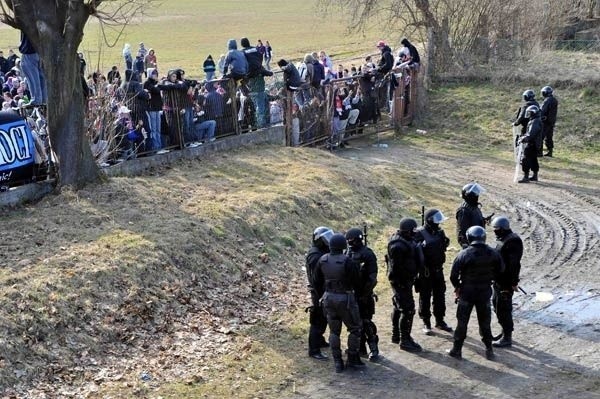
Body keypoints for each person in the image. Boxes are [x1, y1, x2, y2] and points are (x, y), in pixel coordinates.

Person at [448, 226, 504, 360]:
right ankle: (489, 350)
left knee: (462, 322)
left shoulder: (464, 254)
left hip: (467, 292)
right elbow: (501, 269)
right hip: (484, 292)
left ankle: (457, 350)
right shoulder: (493, 253)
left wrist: (457, 287)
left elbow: (453, 275)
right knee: (485, 322)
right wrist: (491, 278)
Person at [313, 233, 364, 373]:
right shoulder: (347, 261)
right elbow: (357, 281)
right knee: (355, 328)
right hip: (346, 298)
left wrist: (323, 294)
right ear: (343, 246)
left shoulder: (322, 259)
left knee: (334, 331)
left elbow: (316, 281)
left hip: (328, 298)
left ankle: (337, 362)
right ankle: (352, 359)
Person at [387, 217, 424, 352]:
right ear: (407, 231)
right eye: (412, 231)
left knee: (398, 306)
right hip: (400, 281)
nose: (415, 233)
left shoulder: (406, 240)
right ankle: (405, 339)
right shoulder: (398, 246)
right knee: (408, 309)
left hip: (405, 280)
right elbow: (397, 268)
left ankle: (396, 335)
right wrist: (404, 282)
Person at [414, 209, 453, 334]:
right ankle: (426, 322)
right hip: (426, 272)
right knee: (425, 297)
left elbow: (444, 244)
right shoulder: (419, 233)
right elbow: (415, 252)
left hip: (438, 270)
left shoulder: (440, 232)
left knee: (440, 296)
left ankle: (440, 320)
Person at [345, 227, 379, 361]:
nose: (350, 242)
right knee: (354, 323)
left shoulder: (367, 254)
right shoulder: (347, 253)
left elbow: (372, 277)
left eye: (352, 240)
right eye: (348, 240)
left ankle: (374, 349)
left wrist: (365, 294)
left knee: (366, 322)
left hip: (364, 294)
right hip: (351, 294)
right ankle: (360, 348)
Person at [490, 216, 523, 348]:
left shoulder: (513, 241)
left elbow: (514, 265)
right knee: (496, 305)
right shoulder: (503, 239)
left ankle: (507, 337)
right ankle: (505, 330)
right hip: (498, 280)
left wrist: (513, 282)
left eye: (496, 229)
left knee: (504, 308)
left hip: (506, 282)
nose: (494, 231)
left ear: (503, 229)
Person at [305, 226, 334, 361]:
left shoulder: (319, 252)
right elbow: (318, 278)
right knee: (318, 320)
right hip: (319, 292)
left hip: (322, 290)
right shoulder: (315, 256)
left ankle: (320, 341)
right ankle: (314, 349)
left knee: (323, 318)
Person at [456, 182, 490, 248]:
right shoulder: (464, 210)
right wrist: (466, 246)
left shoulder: (474, 206)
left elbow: (474, 220)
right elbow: (462, 230)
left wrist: (483, 220)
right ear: (470, 196)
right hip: (470, 243)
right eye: (476, 194)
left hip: (477, 239)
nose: (477, 196)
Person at [18, 31, 47, 106]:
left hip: (30, 51)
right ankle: (44, 99)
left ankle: (36, 99)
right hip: (42, 51)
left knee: (32, 78)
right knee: (41, 77)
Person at [517, 105, 542, 183]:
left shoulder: (535, 121)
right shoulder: (536, 120)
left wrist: (524, 138)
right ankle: (535, 175)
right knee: (533, 159)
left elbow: (531, 134)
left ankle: (526, 176)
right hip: (535, 144)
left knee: (526, 159)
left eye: (529, 113)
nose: (528, 114)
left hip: (531, 144)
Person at [513, 89, 540, 154]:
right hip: (535, 124)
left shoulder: (526, 105)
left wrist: (516, 123)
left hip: (526, 124)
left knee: (523, 138)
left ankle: (521, 152)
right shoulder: (536, 104)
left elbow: (521, 116)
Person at [540, 86, 558, 157]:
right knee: (549, 137)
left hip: (546, 121)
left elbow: (543, 111)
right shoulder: (554, 100)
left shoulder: (547, 100)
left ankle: (539, 152)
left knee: (541, 136)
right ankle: (550, 151)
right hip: (552, 121)